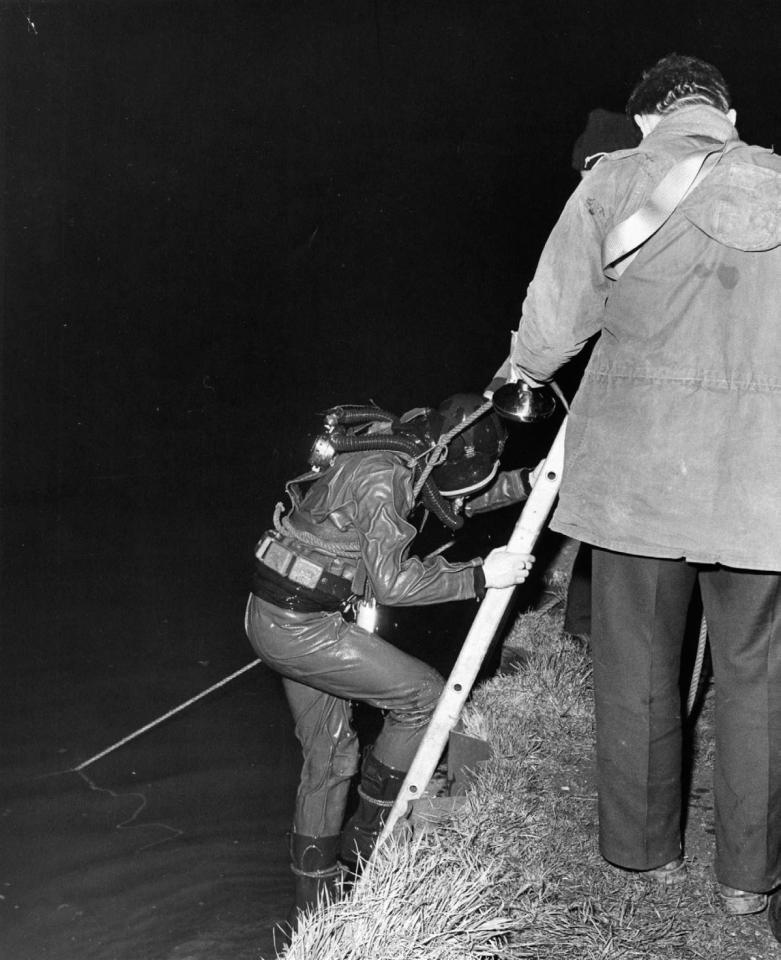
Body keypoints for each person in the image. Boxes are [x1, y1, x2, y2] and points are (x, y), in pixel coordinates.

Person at [488, 54, 781, 935]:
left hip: (640, 486)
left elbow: (548, 329)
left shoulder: (615, 182)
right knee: (758, 680)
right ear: (724, 111)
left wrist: (520, 377)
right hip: (762, 490)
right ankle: (746, 881)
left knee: (638, 673)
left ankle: (645, 859)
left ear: (649, 117)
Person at [244, 393, 538, 921]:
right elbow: (395, 583)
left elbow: (452, 497)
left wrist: (525, 483)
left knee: (330, 757)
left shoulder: (409, 441)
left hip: (276, 613)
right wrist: (478, 575)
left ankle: (317, 912)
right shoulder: (387, 475)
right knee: (424, 696)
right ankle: (366, 844)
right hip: (302, 624)